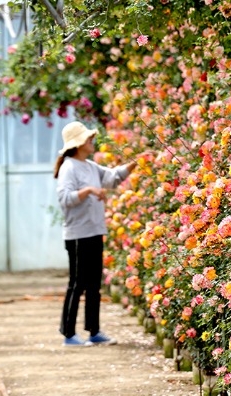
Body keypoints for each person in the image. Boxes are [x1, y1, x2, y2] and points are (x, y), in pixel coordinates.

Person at [54, 121, 138, 346]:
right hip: (77, 236)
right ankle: (69, 334)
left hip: (94, 231)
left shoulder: (90, 166)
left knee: (93, 284)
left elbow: (112, 178)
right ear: (79, 144)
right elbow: (65, 199)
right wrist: (89, 190)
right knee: (77, 283)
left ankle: (94, 331)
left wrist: (135, 163)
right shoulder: (69, 167)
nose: (92, 142)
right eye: (88, 139)